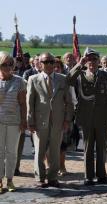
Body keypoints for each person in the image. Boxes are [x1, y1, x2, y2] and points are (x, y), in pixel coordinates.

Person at [67, 47, 107, 186]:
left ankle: (102, 175)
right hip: (87, 117)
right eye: (89, 59)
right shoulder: (81, 75)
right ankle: (88, 176)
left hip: (103, 117)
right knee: (88, 148)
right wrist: (79, 64)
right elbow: (68, 80)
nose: (92, 62)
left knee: (101, 147)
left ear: (99, 61)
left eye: (94, 59)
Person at [27, 52, 74, 188]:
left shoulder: (63, 79)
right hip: (40, 121)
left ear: (55, 64)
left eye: (51, 62)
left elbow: (68, 101)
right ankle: (40, 177)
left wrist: (67, 120)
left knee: (55, 150)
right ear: (40, 64)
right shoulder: (33, 79)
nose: (49, 64)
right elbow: (30, 102)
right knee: (39, 151)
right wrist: (30, 121)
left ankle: (53, 177)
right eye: (45, 62)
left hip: (58, 121)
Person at [0, 51, 27, 192]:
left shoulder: (19, 81)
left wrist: (24, 121)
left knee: (12, 152)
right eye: (4, 64)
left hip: (14, 121)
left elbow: (23, 103)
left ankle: (10, 179)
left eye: (10, 64)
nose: (8, 67)